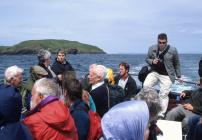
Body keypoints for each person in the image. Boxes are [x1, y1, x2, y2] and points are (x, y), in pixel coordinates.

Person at [143, 33, 181, 118]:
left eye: (164, 42)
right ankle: (149, 106)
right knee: (146, 86)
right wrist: (152, 61)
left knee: (163, 94)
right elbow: (147, 59)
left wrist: (179, 76)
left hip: (167, 75)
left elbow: (177, 63)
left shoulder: (173, 50)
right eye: (160, 42)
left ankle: (161, 114)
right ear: (157, 41)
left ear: (167, 42)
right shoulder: (152, 48)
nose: (162, 44)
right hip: (155, 72)